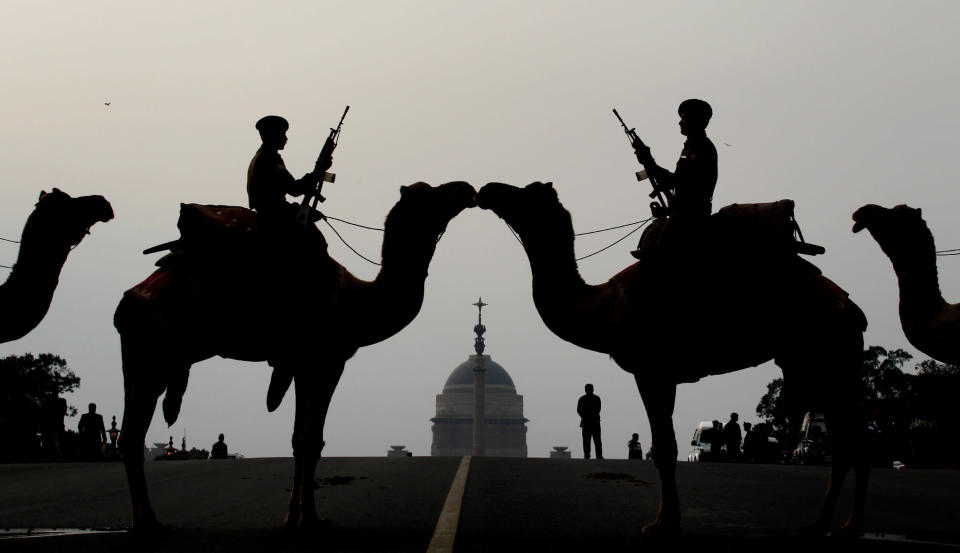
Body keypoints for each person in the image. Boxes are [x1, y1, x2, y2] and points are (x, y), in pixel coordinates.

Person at [631, 99, 717, 260]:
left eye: (684, 118)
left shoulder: (699, 147)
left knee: (660, 253)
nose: (680, 122)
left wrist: (648, 161)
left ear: (697, 120)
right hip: (685, 211)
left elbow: (679, 181)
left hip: (691, 214)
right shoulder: (691, 147)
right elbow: (679, 183)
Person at [247, 115, 327, 227]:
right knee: (316, 240)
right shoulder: (269, 159)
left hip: (272, 210)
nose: (286, 138)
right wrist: (318, 171)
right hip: (274, 213)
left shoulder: (263, 156)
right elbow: (294, 189)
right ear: (273, 135)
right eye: (282, 134)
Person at [577, 384, 603, 459]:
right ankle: (593, 455)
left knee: (593, 440)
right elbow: (579, 410)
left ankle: (592, 455)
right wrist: (586, 416)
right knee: (590, 440)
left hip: (591, 422)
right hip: (590, 422)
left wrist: (585, 416)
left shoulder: (584, 399)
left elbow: (598, 409)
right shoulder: (595, 398)